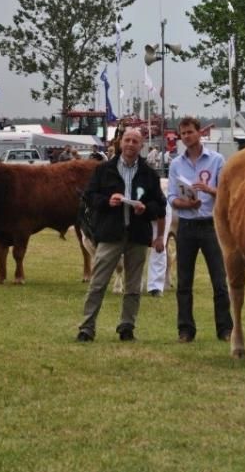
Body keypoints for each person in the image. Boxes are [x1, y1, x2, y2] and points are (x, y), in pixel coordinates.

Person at [76, 127, 166, 342]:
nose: (131, 144)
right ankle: (87, 327)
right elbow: (89, 197)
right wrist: (107, 201)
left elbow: (160, 205)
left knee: (133, 287)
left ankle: (127, 327)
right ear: (120, 143)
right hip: (110, 233)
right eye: (127, 140)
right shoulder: (103, 170)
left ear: (141, 145)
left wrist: (146, 208)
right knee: (98, 283)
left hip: (137, 235)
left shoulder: (149, 174)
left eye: (135, 141)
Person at [168, 116, 233, 343]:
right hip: (186, 225)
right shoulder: (176, 164)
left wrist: (208, 190)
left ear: (199, 133)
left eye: (190, 132)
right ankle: (185, 330)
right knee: (184, 281)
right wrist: (186, 203)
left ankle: (225, 329)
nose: (186, 137)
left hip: (209, 225)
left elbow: (227, 193)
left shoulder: (216, 160)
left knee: (219, 280)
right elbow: (172, 198)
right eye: (183, 133)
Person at [147, 177, 172, 296]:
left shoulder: (159, 201)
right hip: (135, 211)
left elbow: (162, 214)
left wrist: (160, 237)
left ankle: (155, 286)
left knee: (158, 247)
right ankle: (134, 282)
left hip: (160, 213)